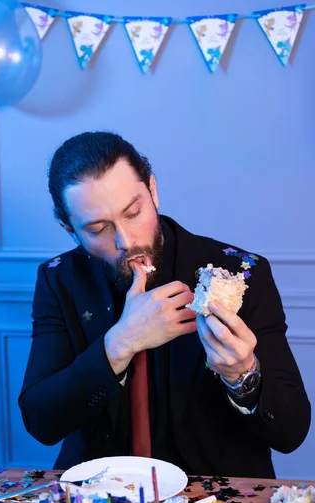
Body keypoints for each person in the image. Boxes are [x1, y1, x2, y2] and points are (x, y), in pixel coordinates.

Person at [18, 131, 311, 477]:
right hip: (102, 496)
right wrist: (121, 343)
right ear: (70, 229)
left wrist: (243, 375)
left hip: (215, 495)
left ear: (153, 191)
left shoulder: (243, 273)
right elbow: (41, 421)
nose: (126, 241)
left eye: (133, 212)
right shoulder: (60, 279)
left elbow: (291, 432)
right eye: (98, 229)